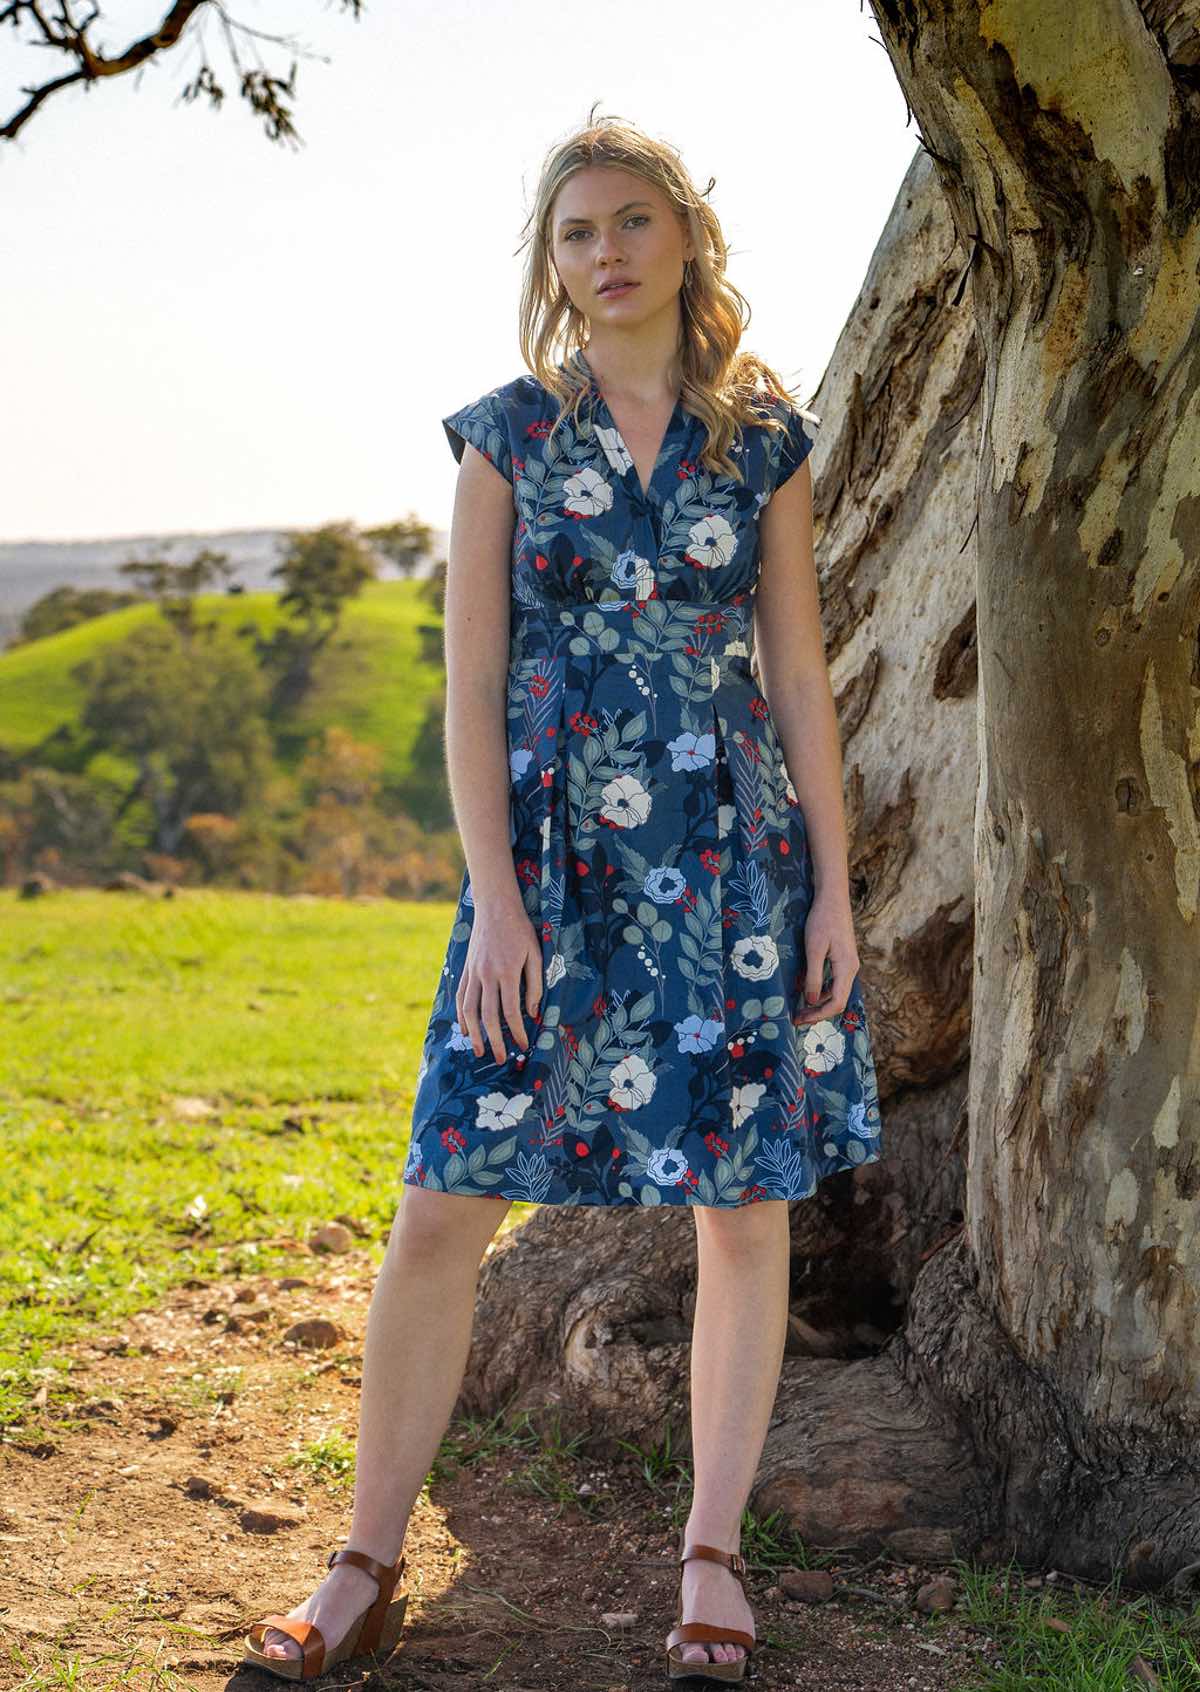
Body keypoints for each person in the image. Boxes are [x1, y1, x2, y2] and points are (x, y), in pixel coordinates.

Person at [243, 109, 882, 1687]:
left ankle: (711, 1556)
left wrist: (833, 888)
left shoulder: (765, 444)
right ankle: (364, 1561)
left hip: (735, 854)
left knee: (742, 1203)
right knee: (446, 1196)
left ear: (685, 241)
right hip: (552, 870)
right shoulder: (509, 441)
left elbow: (801, 675)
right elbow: (469, 695)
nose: (605, 254)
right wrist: (501, 906)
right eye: (576, 233)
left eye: (631, 223)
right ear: (556, 265)